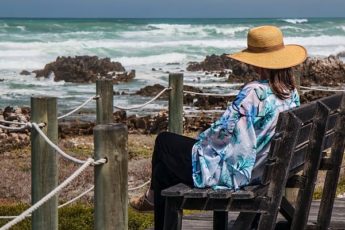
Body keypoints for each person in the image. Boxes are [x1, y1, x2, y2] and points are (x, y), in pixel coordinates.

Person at [130, 25, 307, 229]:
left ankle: (152, 197)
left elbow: (223, 134)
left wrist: (201, 138)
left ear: (257, 62)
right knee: (162, 172)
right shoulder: (290, 92)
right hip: (266, 168)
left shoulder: (254, 93)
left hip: (240, 172)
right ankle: (153, 196)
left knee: (164, 141)